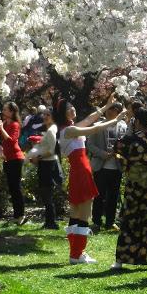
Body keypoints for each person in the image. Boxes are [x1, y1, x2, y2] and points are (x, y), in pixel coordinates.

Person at [55, 93, 125, 264]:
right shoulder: (69, 130)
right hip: (81, 171)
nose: (73, 108)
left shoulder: (69, 127)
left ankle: (75, 253)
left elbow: (90, 119)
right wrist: (116, 120)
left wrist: (107, 106)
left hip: (79, 171)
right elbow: (93, 128)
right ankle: (78, 254)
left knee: (76, 213)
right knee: (84, 213)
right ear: (63, 113)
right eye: (69, 107)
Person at [112, 107, 147, 271]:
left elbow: (117, 149)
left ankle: (120, 260)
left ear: (137, 121)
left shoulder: (130, 139)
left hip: (135, 185)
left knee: (129, 220)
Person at [87, 101, 127, 232]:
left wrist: (120, 154)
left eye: (115, 109)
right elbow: (90, 145)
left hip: (117, 166)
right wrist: (103, 154)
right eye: (110, 108)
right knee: (99, 195)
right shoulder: (97, 125)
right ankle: (96, 222)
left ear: (119, 112)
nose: (111, 111)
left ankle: (110, 222)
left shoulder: (123, 126)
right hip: (101, 165)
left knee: (114, 196)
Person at [0, 102, 26, 225]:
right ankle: (16, 215)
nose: (3, 112)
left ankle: (21, 215)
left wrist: (2, 128)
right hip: (7, 159)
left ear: (12, 112)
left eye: (5, 110)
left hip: (16, 158)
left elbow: (11, 140)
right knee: (12, 188)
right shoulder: (4, 123)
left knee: (16, 187)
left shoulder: (15, 125)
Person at [28, 107, 62, 229]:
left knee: (47, 194)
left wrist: (38, 157)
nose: (45, 116)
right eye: (44, 114)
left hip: (48, 165)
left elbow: (52, 151)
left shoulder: (51, 130)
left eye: (48, 114)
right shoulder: (49, 129)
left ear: (53, 117)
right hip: (45, 163)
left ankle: (51, 222)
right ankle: (49, 221)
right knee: (46, 194)